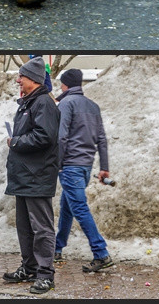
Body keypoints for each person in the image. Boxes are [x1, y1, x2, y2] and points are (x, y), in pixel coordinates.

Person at [3, 57, 61, 294]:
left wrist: (15, 141)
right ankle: (30, 267)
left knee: (41, 228)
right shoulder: (29, 103)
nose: (18, 80)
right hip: (25, 177)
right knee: (25, 227)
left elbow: (44, 136)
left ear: (34, 80)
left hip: (37, 177)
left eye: (22, 77)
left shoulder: (43, 104)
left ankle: (46, 274)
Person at [52, 68, 112, 273]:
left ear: (66, 84)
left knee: (79, 208)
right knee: (68, 206)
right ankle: (57, 248)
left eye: (61, 84)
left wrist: (57, 164)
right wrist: (104, 167)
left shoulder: (66, 104)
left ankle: (101, 253)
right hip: (86, 166)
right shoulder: (93, 106)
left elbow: (61, 137)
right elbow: (102, 139)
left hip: (70, 166)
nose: (60, 87)